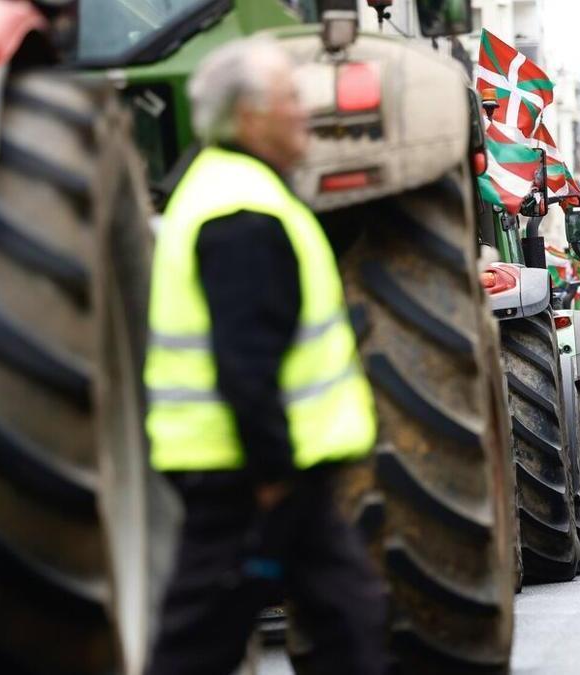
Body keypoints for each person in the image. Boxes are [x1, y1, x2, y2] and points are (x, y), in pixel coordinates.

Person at [143, 36, 386, 675]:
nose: (305, 111)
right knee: (198, 644)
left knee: (348, 624)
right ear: (249, 117)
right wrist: (272, 473)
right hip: (249, 477)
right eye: (288, 99)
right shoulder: (242, 211)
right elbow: (246, 361)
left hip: (270, 473)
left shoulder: (235, 191)